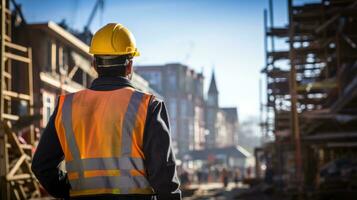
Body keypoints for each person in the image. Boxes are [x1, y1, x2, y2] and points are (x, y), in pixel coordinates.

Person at [31, 23, 181, 200]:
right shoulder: (148, 106)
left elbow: (42, 166)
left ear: (94, 65)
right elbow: (163, 176)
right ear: (129, 66)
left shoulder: (67, 106)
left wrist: (71, 192)